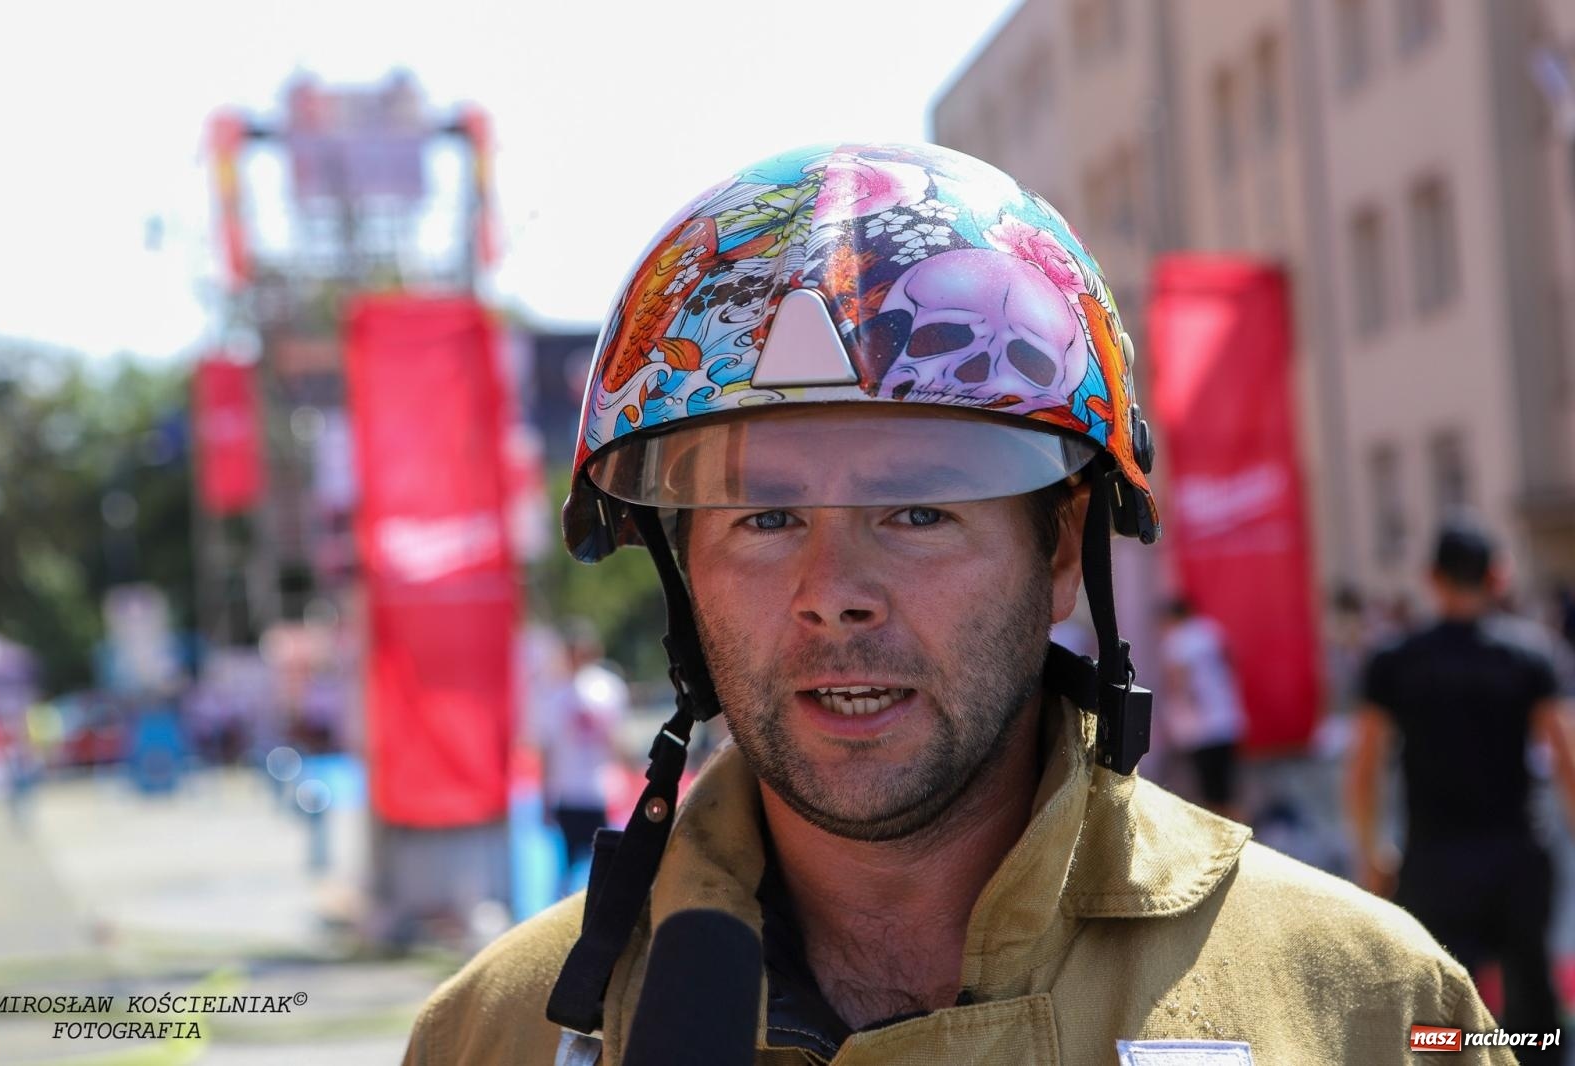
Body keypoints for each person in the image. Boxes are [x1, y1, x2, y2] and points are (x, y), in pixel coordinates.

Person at [405, 143, 1509, 1064]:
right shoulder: (500, 1035)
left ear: (1060, 550)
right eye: (764, 516)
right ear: (683, 570)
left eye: (919, 510)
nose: (833, 596)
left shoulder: (1366, 1010)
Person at [1347, 518, 1575, 1060]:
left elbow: (1365, 766)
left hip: (1435, 861)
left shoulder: (1396, 661)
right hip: (1518, 853)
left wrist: (1371, 851)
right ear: (1498, 576)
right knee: (1533, 1002)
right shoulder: (1530, 653)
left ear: (1432, 577)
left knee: (1436, 1016)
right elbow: (1565, 757)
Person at [536, 619, 629, 896]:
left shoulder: (604, 688)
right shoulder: (556, 694)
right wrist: (546, 796)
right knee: (570, 865)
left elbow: (616, 739)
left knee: (599, 862)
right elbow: (548, 749)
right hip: (572, 791)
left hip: (597, 790)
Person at [1156, 597, 1246, 820]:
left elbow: (1178, 681)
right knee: (1226, 788)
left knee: (1210, 791)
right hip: (1226, 718)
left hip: (1201, 726)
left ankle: (1223, 833)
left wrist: (1173, 717)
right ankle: (1238, 826)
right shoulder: (1210, 631)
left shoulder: (1178, 640)